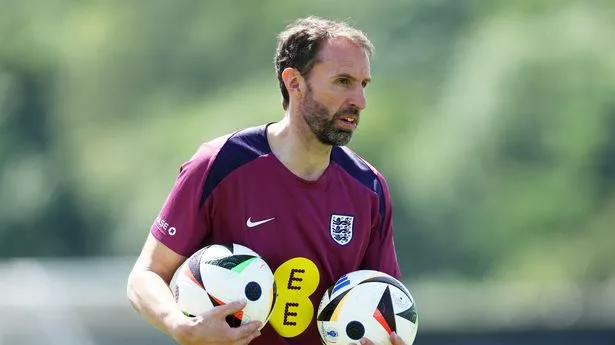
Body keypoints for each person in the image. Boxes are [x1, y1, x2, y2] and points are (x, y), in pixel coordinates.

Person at [127, 16, 407, 345]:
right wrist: (180, 325)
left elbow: (383, 306)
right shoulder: (220, 164)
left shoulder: (369, 189)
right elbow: (145, 275)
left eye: (363, 84)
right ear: (295, 82)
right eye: (343, 81)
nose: (359, 101)